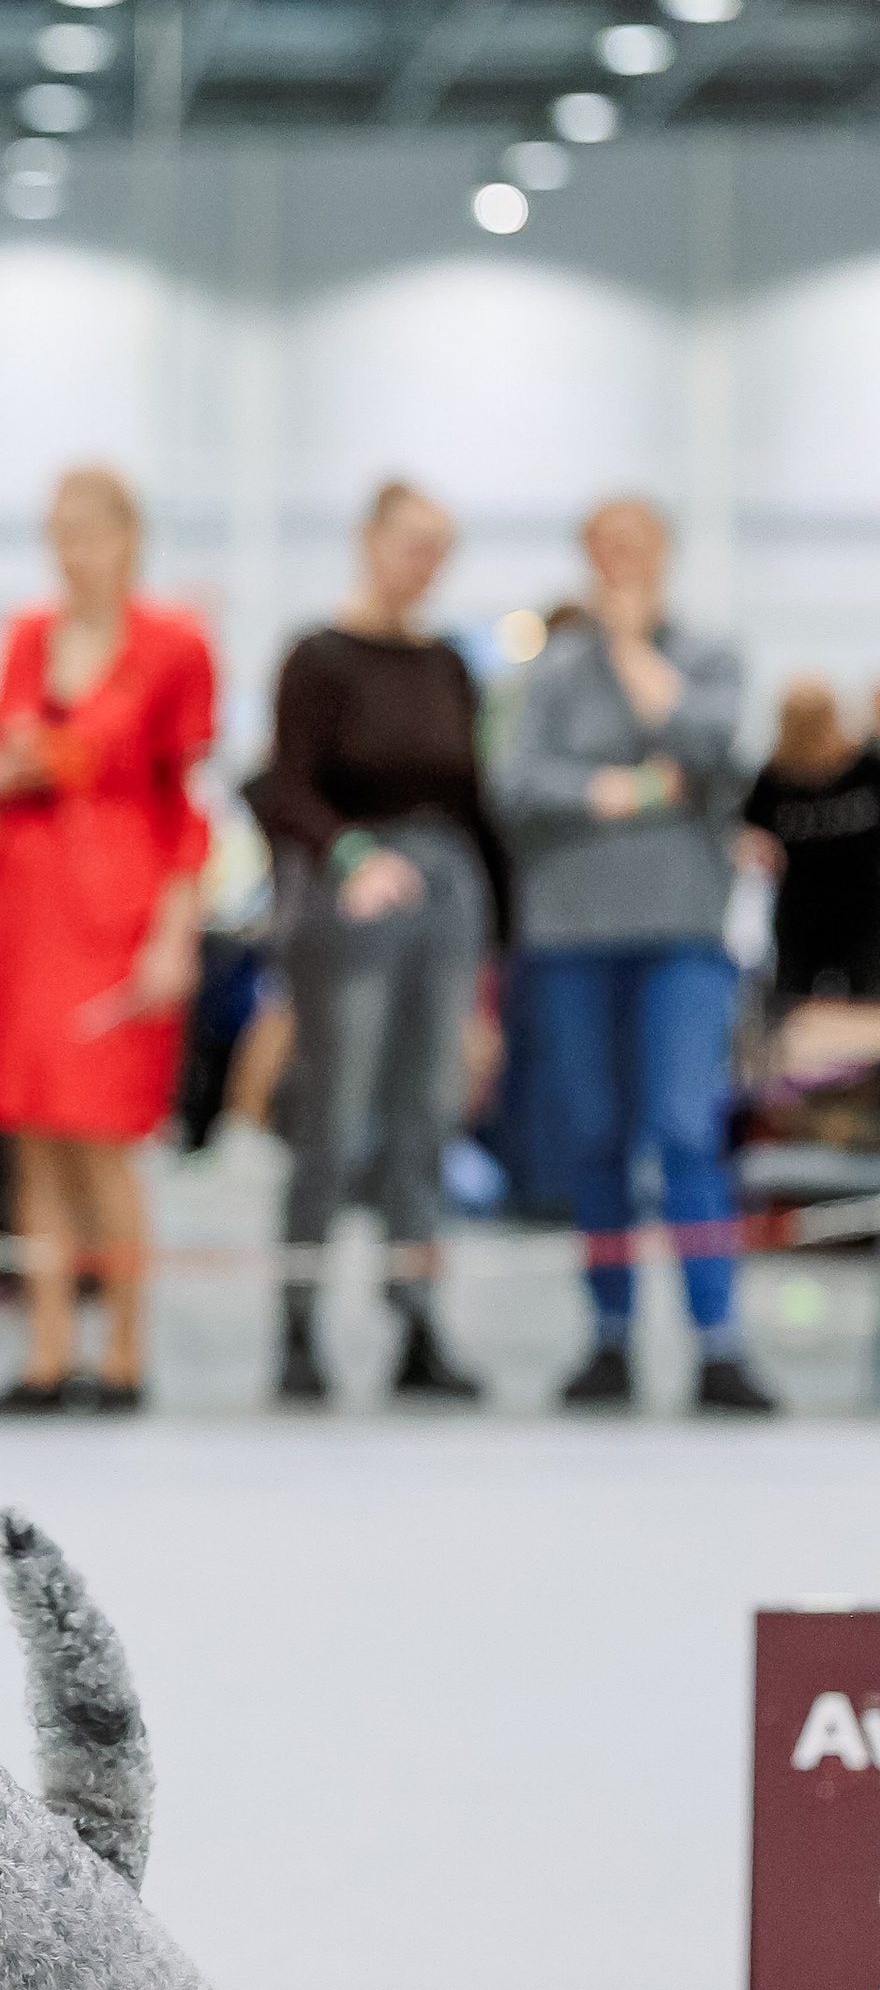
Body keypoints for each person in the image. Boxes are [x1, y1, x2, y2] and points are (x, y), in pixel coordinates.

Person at [491, 496, 777, 1412]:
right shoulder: (546, 672)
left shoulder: (710, 657)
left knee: (689, 1131)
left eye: (637, 547)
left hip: (684, 935)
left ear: (665, 554)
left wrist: (629, 649)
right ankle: (608, 1338)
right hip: (573, 937)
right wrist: (625, 788)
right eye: (604, 548)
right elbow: (517, 783)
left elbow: (714, 748)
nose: (620, 562)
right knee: (593, 1136)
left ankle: (717, 1342)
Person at [246, 481, 510, 1407]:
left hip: (449, 895)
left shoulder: (450, 664)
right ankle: (299, 1329)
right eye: (410, 540)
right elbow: (279, 786)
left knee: (426, 1116)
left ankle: (416, 1322)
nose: (424, 560)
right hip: (352, 891)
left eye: (441, 544)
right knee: (335, 1111)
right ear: (369, 541)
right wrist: (352, 854)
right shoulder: (318, 658)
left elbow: (475, 804)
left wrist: (494, 969)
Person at [0, 467, 213, 1411]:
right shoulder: (25, 637)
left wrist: (174, 932)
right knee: (32, 1137)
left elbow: (189, 802)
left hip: (120, 906)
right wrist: (5, 765)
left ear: (130, 537)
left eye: (92, 530)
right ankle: (47, 1352)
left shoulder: (175, 645)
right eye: (60, 530)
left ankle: (125, 1357)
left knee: (105, 1137)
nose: (74, 548)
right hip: (23, 906)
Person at [741, 677, 880, 1001]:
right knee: (794, 1008)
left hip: (865, 915)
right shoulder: (772, 781)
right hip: (799, 918)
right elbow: (749, 834)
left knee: (868, 1012)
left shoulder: (867, 768)